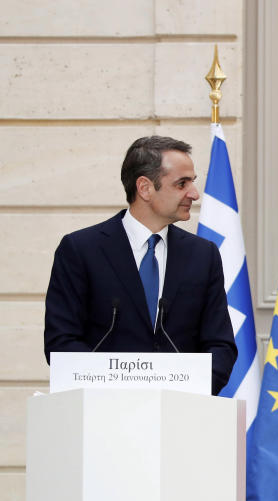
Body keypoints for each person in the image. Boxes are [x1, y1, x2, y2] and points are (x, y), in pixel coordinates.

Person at [44, 136, 237, 395]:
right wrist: (118, 392)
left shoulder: (203, 255)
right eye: (182, 184)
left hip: (181, 414)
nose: (194, 194)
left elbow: (220, 345)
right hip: (102, 415)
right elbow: (61, 342)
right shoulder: (81, 249)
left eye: (192, 182)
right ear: (145, 188)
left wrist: (189, 391)